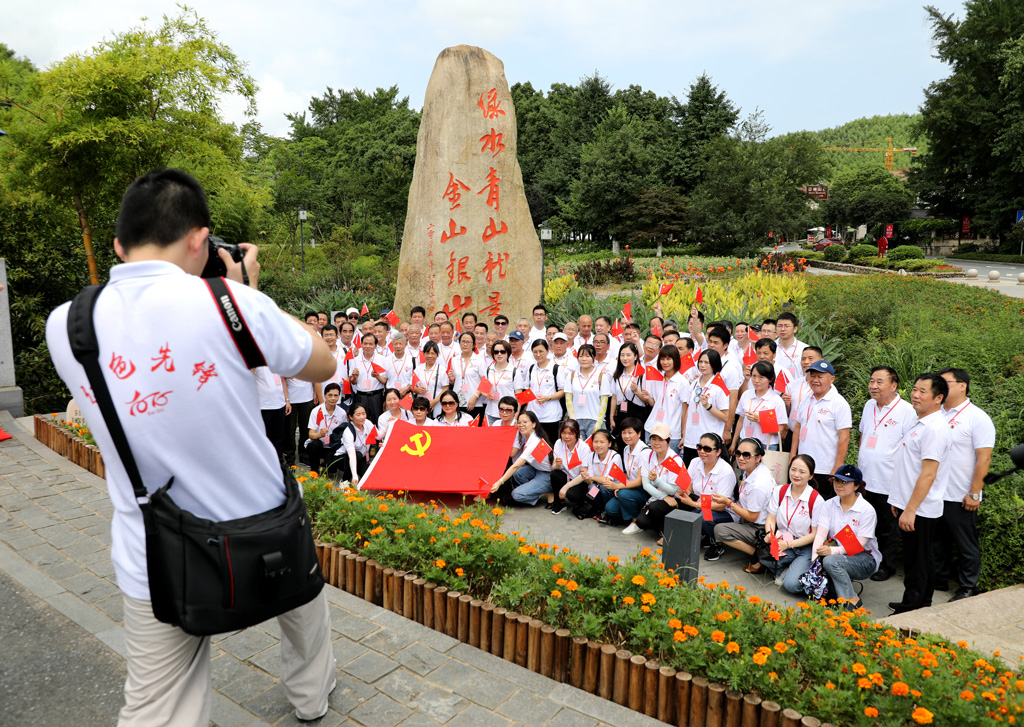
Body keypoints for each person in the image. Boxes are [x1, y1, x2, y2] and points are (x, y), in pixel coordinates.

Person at [45, 168, 337, 724]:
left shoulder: (67, 325)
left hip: (156, 548)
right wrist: (248, 289)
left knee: (158, 706)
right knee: (306, 619)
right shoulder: (232, 305)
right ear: (201, 239)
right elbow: (323, 361)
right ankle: (310, 701)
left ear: (117, 246)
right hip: (268, 527)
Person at [887, 373, 952, 614]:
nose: (915, 394)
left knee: (919, 559)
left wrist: (911, 509)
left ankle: (914, 606)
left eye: (923, 391)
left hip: (921, 508)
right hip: (909, 503)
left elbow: (928, 474)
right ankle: (915, 600)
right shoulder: (920, 422)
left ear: (938, 398)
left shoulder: (935, 429)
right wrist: (899, 501)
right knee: (916, 557)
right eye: (915, 389)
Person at [935, 368, 995, 601]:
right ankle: (939, 578)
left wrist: (975, 492)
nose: (941, 386)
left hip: (961, 492)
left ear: (963, 386)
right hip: (935, 491)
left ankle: (969, 585)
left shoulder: (977, 417)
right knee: (937, 540)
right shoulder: (935, 413)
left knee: (965, 543)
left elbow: (984, 458)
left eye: (946, 382)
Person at [856, 366, 916, 582]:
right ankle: (867, 558)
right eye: (872, 381)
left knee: (886, 527)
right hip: (864, 479)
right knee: (864, 522)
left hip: (888, 480)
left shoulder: (907, 411)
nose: (873, 386)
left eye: (879, 382)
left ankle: (887, 565)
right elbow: (864, 436)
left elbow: (910, 447)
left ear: (894, 385)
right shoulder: (869, 405)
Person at [811, 465, 880, 611]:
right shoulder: (828, 504)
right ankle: (834, 594)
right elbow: (821, 534)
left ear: (856, 485)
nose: (839, 485)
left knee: (830, 561)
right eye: (836, 480)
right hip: (838, 551)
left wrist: (832, 552)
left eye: (845, 482)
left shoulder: (867, 510)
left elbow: (860, 544)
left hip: (864, 557)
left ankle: (850, 599)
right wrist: (814, 561)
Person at [759, 454, 821, 594]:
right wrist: (770, 534)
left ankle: (795, 569)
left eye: (802, 471)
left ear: (811, 476)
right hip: (781, 540)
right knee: (763, 557)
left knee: (791, 585)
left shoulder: (816, 499)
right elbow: (771, 518)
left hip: (804, 546)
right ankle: (790, 568)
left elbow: (815, 534)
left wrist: (789, 545)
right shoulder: (780, 491)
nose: (796, 474)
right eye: (793, 469)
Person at [714, 437, 775, 572]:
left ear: (758, 458)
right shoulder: (752, 471)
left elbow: (753, 517)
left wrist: (728, 503)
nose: (741, 458)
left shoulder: (758, 484)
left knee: (720, 530)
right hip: (750, 520)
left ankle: (761, 556)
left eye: (746, 455)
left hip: (758, 527)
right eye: (738, 453)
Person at [788, 360, 851, 487]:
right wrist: (793, 456)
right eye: (812, 376)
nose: (815, 380)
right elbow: (798, 427)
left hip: (824, 468)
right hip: (802, 466)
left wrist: (837, 467)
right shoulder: (806, 398)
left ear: (832, 379)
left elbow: (844, 437)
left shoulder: (838, 403)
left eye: (820, 376)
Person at [676, 433, 736, 560]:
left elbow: (720, 506)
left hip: (724, 511)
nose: (702, 452)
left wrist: (693, 504)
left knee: (703, 516)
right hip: (702, 505)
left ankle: (717, 544)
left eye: (707, 449)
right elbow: (690, 486)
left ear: (718, 451)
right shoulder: (694, 462)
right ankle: (708, 536)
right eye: (699, 447)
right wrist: (685, 491)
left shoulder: (726, 471)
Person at [633, 423, 686, 541]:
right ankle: (662, 524)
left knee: (654, 508)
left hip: (676, 499)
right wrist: (663, 497)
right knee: (642, 522)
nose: (656, 443)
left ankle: (668, 532)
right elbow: (646, 484)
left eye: (661, 439)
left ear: (668, 441)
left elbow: (673, 490)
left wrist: (656, 480)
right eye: (653, 439)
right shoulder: (647, 454)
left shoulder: (674, 460)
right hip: (659, 496)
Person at [490, 411, 555, 506]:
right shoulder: (529, 435)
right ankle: (531, 490)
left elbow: (515, 466)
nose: (521, 425)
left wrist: (499, 482)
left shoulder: (534, 442)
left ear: (533, 424)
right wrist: (518, 425)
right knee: (518, 473)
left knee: (517, 495)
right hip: (536, 469)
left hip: (546, 475)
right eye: (519, 422)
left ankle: (544, 493)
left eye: (525, 422)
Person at [679, 350, 730, 466]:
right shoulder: (695, 383)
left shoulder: (719, 387)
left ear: (715, 364)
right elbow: (688, 410)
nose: (702, 365)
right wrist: (684, 435)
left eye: (707, 362)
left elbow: (725, 417)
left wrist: (708, 406)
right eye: (700, 361)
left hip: (708, 443)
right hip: (691, 440)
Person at [599, 418, 651, 528]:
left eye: (630, 432)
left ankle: (635, 521)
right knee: (610, 509)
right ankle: (626, 515)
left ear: (639, 434)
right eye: (624, 432)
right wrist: (621, 485)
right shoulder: (626, 449)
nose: (626, 436)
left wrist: (618, 486)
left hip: (643, 490)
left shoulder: (644, 452)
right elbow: (627, 474)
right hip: (630, 487)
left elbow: (639, 481)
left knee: (622, 494)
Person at [730, 361, 788, 453]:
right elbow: (740, 421)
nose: (756, 380)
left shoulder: (776, 401)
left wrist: (760, 420)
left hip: (766, 445)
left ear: (771, 379)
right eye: (754, 376)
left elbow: (780, 430)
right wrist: (734, 444)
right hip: (745, 441)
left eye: (761, 377)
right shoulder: (746, 395)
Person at [516, 339, 566, 443]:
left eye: (541, 351)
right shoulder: (531, 368)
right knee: (533, 445)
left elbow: (563, 391)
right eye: (535, 352)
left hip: (550, 416)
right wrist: (521, 410)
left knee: (549, 444)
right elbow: (527, 389)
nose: (538, 354)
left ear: (548, 351)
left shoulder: (556, 368)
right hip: (533, 415)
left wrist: (548, 398)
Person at [563, 429, 622, 520]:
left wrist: (591, 477)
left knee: (604, 486)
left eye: (602, 442)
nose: (598, 445)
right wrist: (586, 477)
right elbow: (589, 482)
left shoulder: (615, 457)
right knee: (591, 488)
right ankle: (600, 509)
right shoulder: (591, 456)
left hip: (613, 489)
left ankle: (607, 511)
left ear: (609, 444)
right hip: (598, 485)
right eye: (595, 442)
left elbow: (607, 480)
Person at [565, 344, 610, 440]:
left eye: (587, 356)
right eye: (581, 356)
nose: (584, 359)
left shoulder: (601, 376)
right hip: (577, 420)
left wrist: (598, 423)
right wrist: (573, 422)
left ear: (594, 358)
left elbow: (604, 403)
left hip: (594, 420)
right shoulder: (571, 376)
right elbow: (568, 401)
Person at [609, 343, 650, 444]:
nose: (625, 358)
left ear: (635, 356)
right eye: (622, 355)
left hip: (637, 414)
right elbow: (614, 397)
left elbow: (647, 400)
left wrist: (636, 392)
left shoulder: (642, 374)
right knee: (621, 444)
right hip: (621, 415)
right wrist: (611, 417)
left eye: (628, 355)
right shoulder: (618, 375)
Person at [548, 419, 591, 514]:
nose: (566, 436)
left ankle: (580, 503)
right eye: (564, 433)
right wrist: (557, 465)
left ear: (577, 434)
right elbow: (554, 468)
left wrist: (565, 488)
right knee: (554, 474)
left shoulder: (584, 447)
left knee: (572, 495)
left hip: (579, 480)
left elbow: (584, 474)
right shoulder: (559, 443)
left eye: (570, 433)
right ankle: (559, 503)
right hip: (566, 476)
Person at [305, 382, 348, 473]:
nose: (333, 398)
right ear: (324, 396)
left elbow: (344, 434)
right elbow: (311, 435)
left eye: (336, 395)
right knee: (314, 445)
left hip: (332, 446)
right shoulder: (316, 411)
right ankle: (314, 471)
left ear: (339, 396)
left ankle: (327, 463)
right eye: (330, 395)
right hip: (318, 445)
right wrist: (320, 434)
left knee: (331, 471)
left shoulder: (342, 413)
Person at [348, 332, 388, 425]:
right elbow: (352, 382)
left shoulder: (382, 360)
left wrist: (377, 376)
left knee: (377, 422)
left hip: (376, 396)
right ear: (361, 344)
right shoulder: (355, 360)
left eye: (371, 344)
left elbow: (385, 381)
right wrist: (354, 377)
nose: (368, 346)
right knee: (361, 423)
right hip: (361, 396)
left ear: (375, 345)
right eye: (365, 343)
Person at [475, 340, 517, 424]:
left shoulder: (514, 371)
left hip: (508, 414)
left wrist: (516, 416)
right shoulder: (488, 369)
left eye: (502, 351)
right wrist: (487, 395)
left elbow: (519, 397)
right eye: (496, 352)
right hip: (491, 412)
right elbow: (483, 389)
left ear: (508, 353)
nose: (499, 354)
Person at [452, 331, 486, 419]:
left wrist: (475, 397)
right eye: (463, 341)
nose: (465, 344)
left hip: (475, 403)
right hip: (458, 402)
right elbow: (455, 381)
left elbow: (485, 382)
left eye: (468, 342)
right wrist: (451, 379)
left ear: (473, 344)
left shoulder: (479, 360)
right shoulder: (454, 360)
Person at [412, 341, 447, 417]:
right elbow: (412, 386)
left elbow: (446, 388)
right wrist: (418, 390)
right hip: (421, 405)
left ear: (437, 355)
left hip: (437, 404)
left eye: (432, 353)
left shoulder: (441, 370)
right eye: (427, 353)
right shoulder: (418, 370)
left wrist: (434, 401)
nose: (430, 356)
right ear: (424, 354)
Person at [774, 312, 806, 383]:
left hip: (797, 390)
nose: (782, 329)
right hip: (774, 391)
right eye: (779, 326)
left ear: (795, 329)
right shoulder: (770, 348)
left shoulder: (804, 349)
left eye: (786, 326)